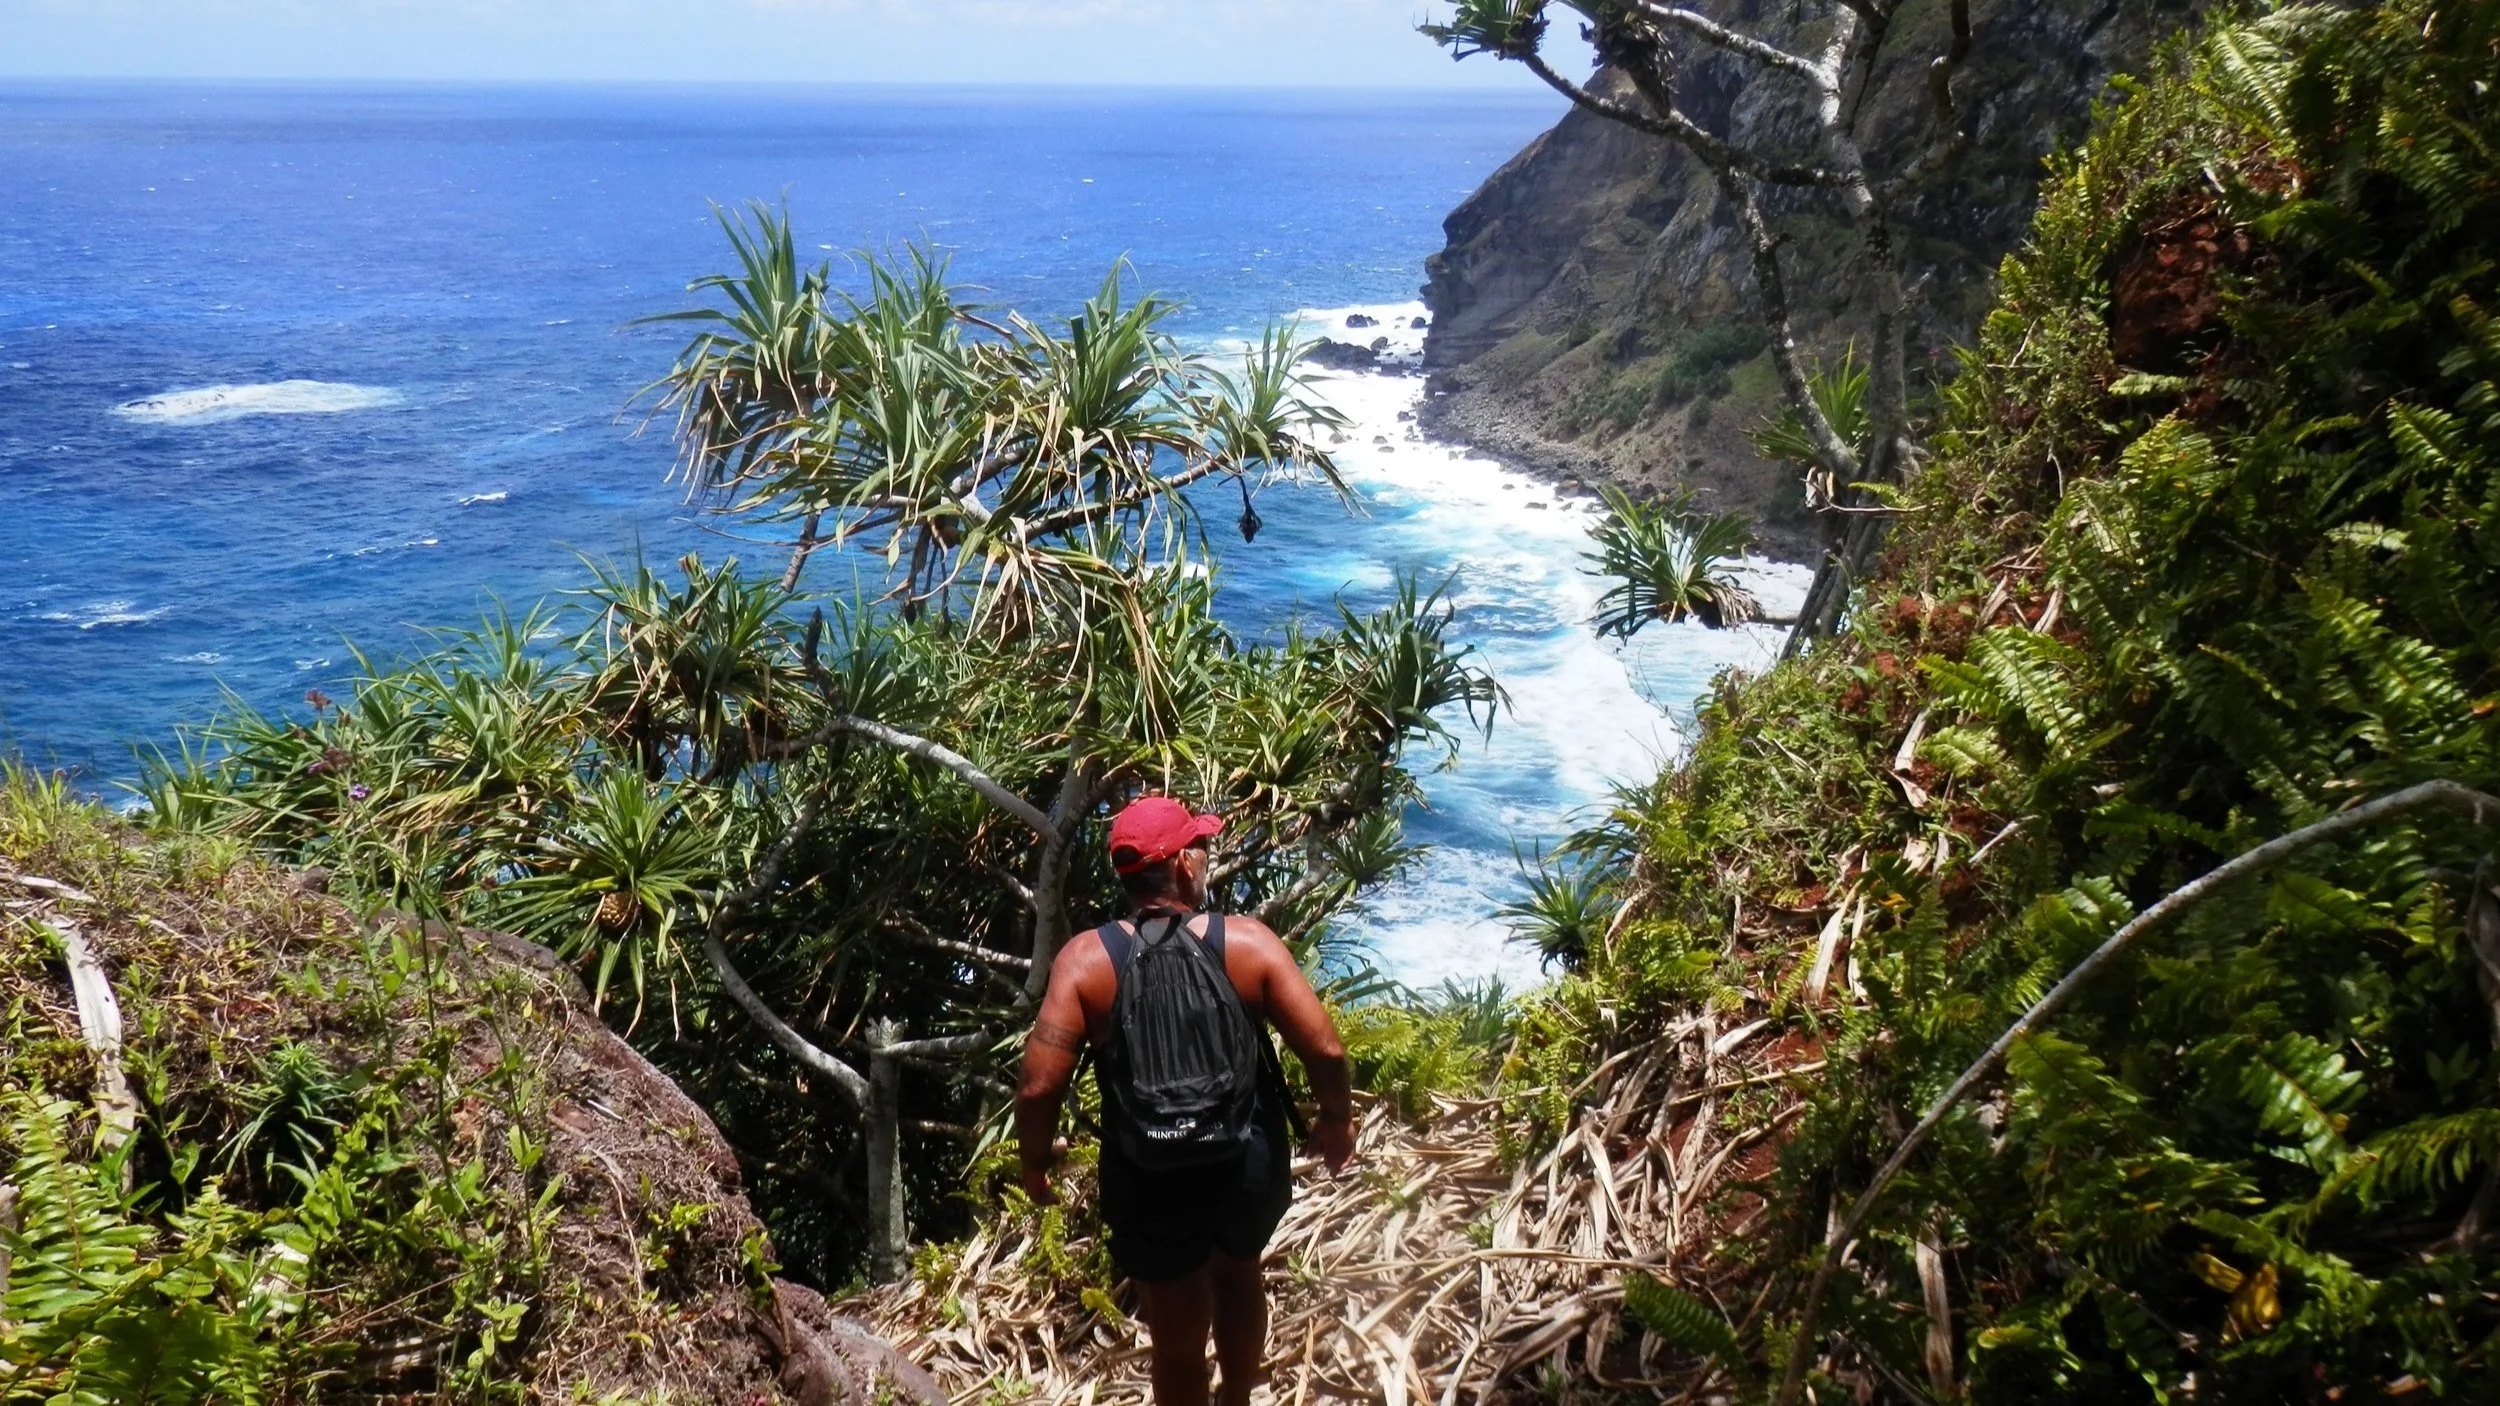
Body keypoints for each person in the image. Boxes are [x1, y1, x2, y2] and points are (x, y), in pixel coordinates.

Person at [1016, 797, 1356, 1406]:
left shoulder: (1087, 961)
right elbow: (1326, 1051)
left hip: (1147, 1172)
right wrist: (1336, 1120)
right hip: (1245, 1159)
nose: (1205, 856)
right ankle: (1237, 1399)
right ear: (1181, 866)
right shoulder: (1246, 943)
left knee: (1175, 1335)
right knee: (1240, 1271)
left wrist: (1036, 1162)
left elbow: (1039, 1085)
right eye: (1199, 847)